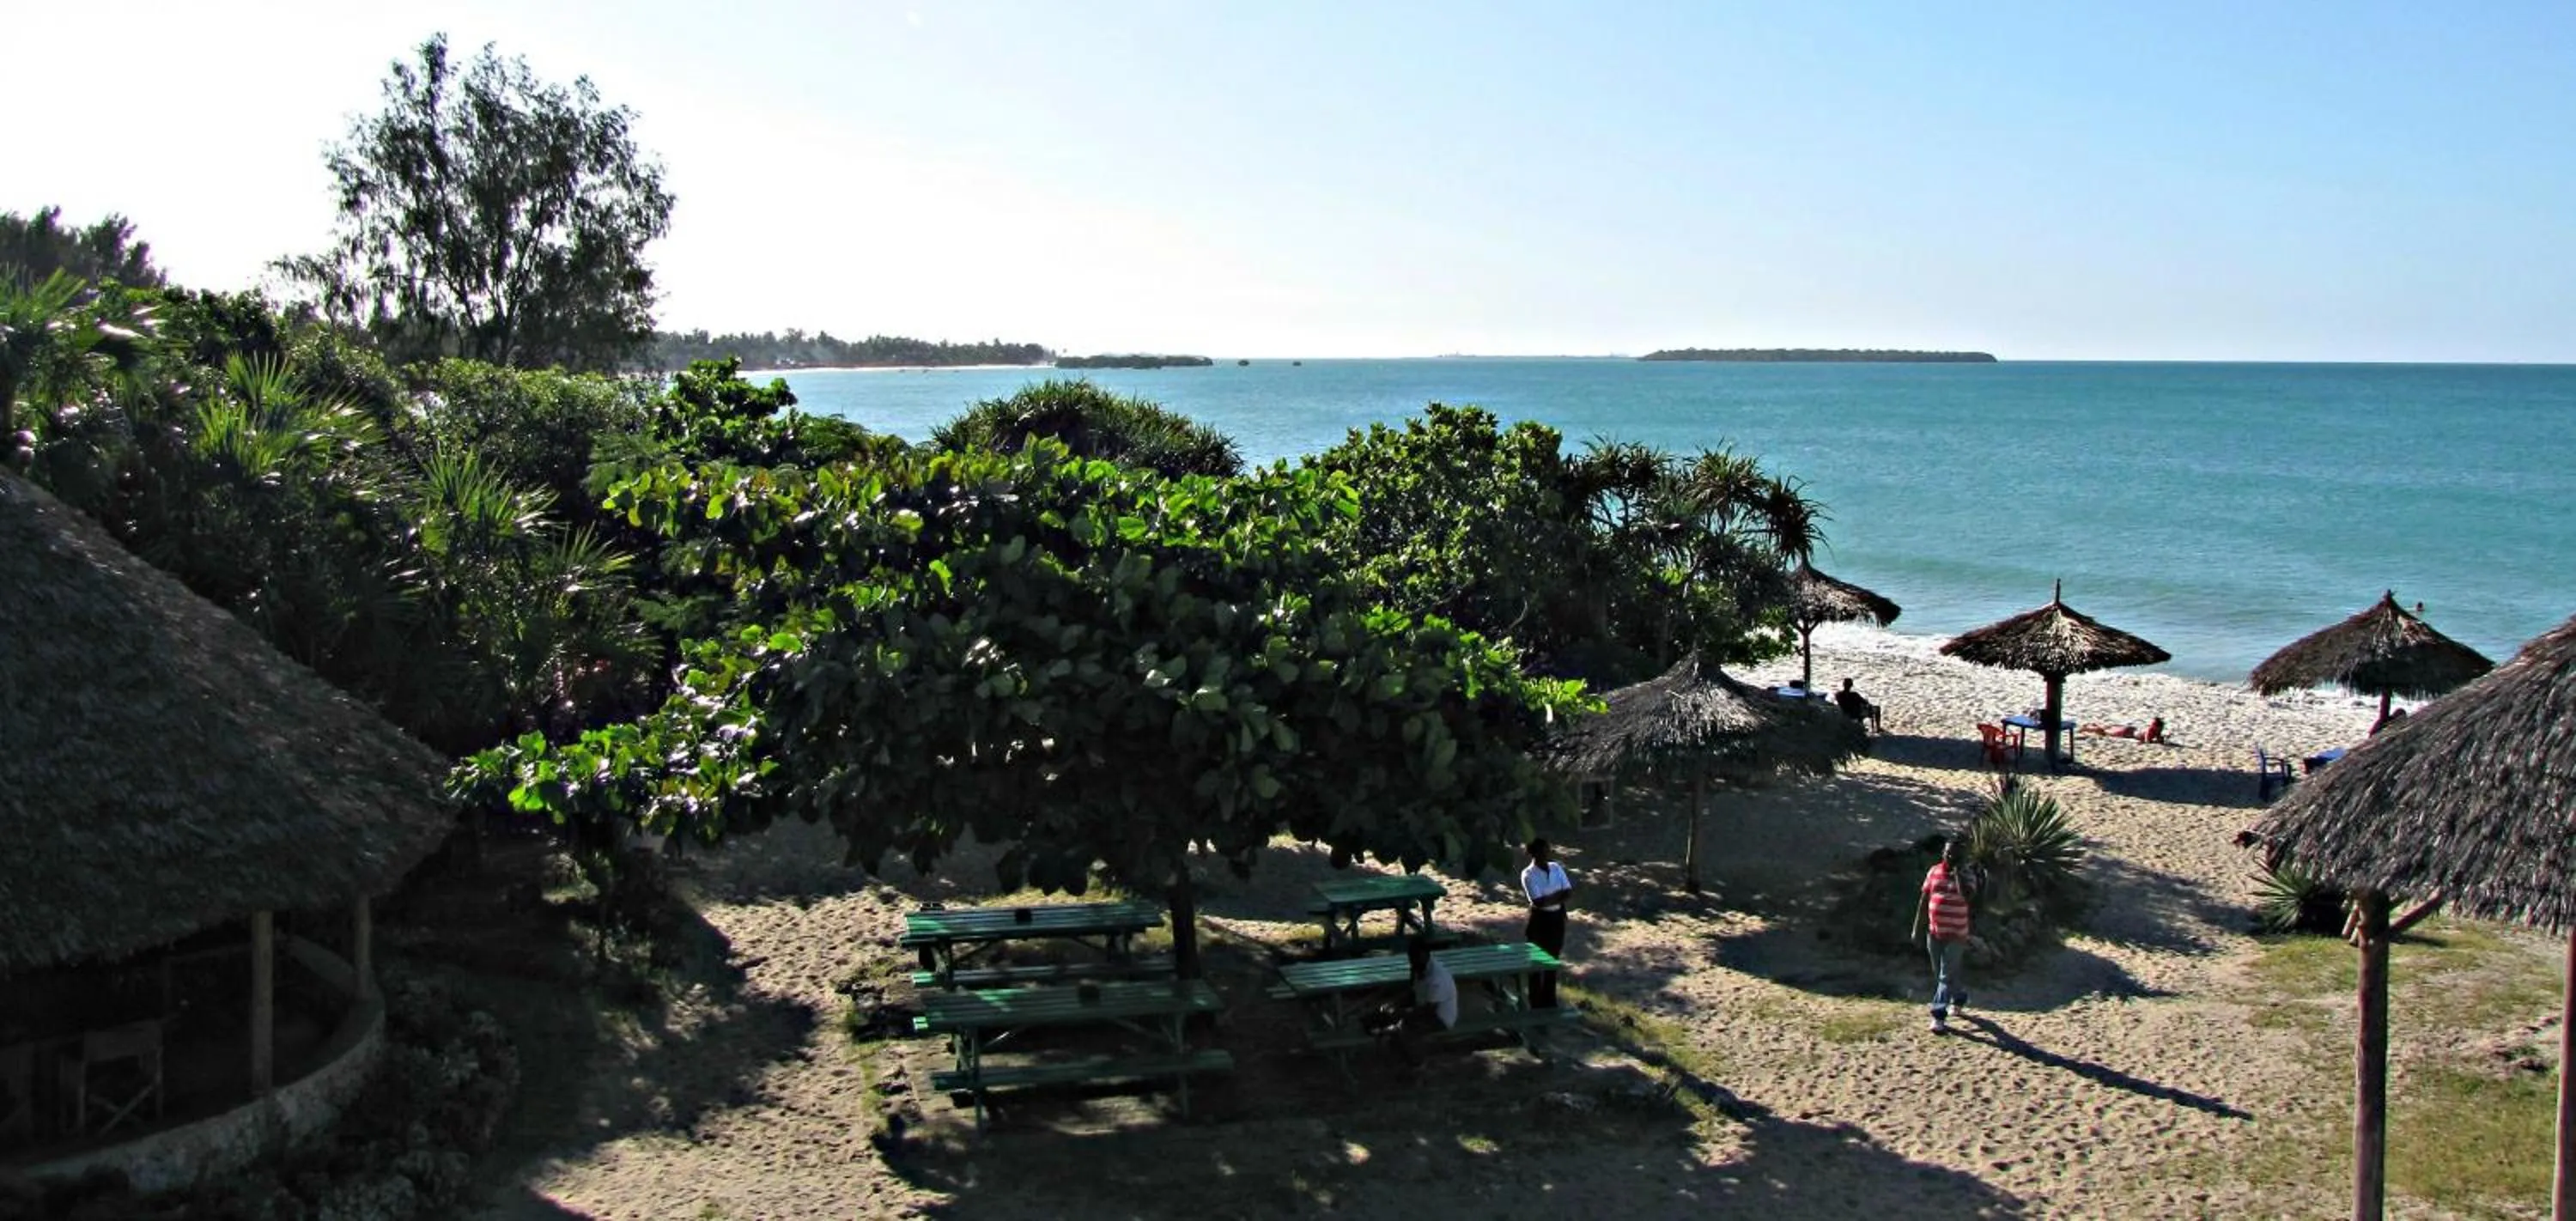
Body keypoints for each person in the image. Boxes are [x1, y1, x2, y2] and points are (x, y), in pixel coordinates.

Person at [1910, 836, 1973, 1033]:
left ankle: (1938, 1016)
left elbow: (1969, 896)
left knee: (1945, 976)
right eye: (1947, 852)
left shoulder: (1969, 874)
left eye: (1955, 853)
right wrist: (1916, 928)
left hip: (1956, 934)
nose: (1950, 856)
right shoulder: (1934, 871)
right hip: (1935, 932)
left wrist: (1958, 875)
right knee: (1941, 973)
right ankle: (1960, 997)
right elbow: (1924, 900)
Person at [1364, 937, 1458, 1066]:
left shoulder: (1438, 978)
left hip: (1440, 1018)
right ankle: (1395, 1055)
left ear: (1425, 955)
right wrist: (1394, 1003)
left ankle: (1417, 1065)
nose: (1412, 961)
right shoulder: (1418, 967)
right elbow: (1413, 992)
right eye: (1411, 957)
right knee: (1381, 1016)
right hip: (1423, 1008)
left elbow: (1429, 1010)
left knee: (1405, 1029)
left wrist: (1401, 1013)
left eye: (1415, 957)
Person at [1521, 839, 1574, 1008]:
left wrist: (1549, 898)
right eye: (1542, 852)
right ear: (1534, 854)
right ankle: (1535, 1002)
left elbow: (1568, 892)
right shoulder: (1528, 874)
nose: (1546, 855)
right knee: (1536, 962)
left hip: (1557, 917)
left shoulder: (1556, 867)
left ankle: (1550, 1001)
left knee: (1552, 960)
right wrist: (1556, 896)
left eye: (1547, 851)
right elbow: (1538, 902)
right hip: (1539, 920)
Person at [2075, 716, 2165, 743]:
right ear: (2155, 727)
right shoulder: (2150, 730)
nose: (2160, 730)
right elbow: (2147, 740)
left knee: (2106, 729)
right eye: (2159, 728)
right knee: (2104, 732)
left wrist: (2160, 738)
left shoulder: (2156, 730)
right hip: (2125, 733)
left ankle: (2093, 725)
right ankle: (2086, 728)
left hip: (2130, 730)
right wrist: (2158, 740)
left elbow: (2157, 737)